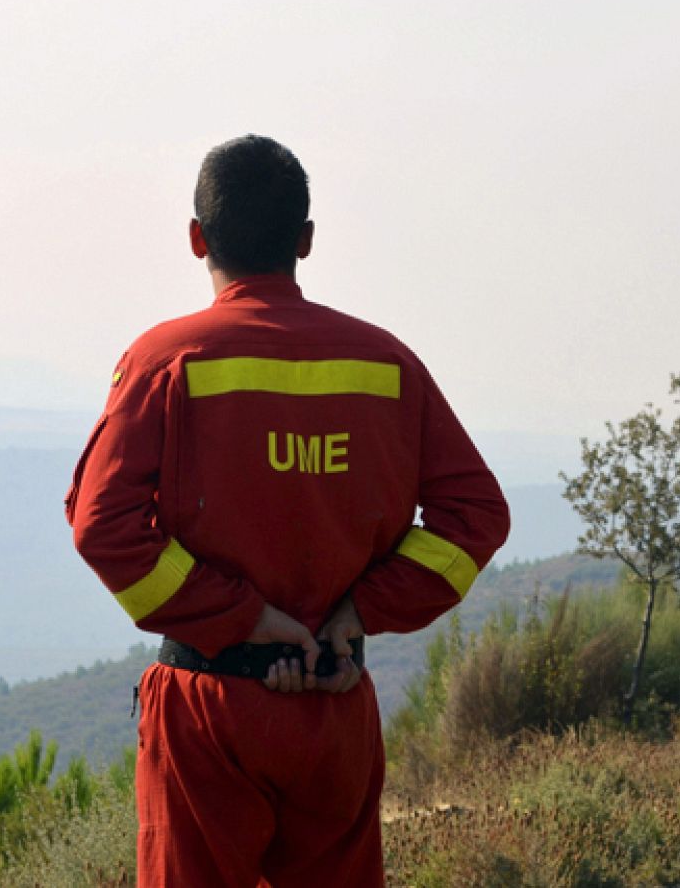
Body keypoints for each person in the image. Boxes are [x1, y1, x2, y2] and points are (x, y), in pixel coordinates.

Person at [64, 134, 510, 887]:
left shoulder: (164, 359)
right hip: (335, 712)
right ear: (305, 240)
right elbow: (476, 517)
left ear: (197, 237)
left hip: (209, 710)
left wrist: (239, 618)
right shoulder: (385, 364)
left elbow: (101, 524)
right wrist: (359, 612)